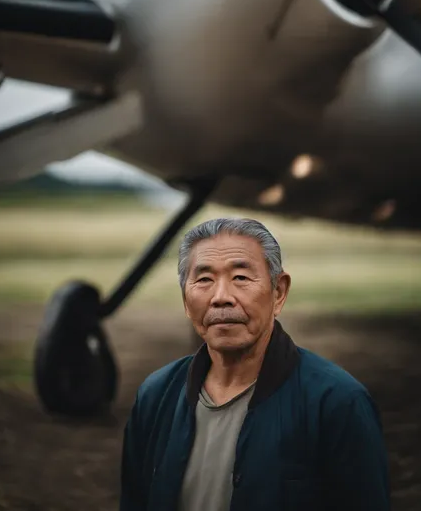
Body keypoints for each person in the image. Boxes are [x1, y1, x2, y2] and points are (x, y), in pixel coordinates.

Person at [120, 217, 390, 511]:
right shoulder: (156, 395)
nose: (221, 298)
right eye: (204, 280)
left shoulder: (338, 401)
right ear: (186, 301)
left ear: (279, 293)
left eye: (241, 278)